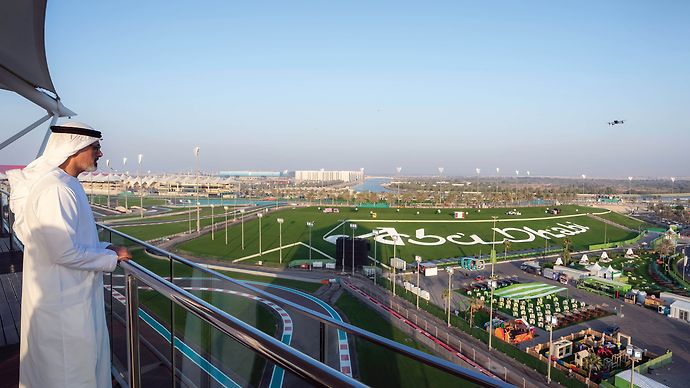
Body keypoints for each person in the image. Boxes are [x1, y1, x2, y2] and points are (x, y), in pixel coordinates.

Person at [6, 121, 131, 388]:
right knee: (69, 372)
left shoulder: (66, 184)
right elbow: (63, 252)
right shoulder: (56, 189)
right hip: (64, 304)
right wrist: (110, 258)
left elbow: (70, 240)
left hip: (71, 296)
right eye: (95, 147)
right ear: (74, 148)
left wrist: (103, 248)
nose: (100, 154)